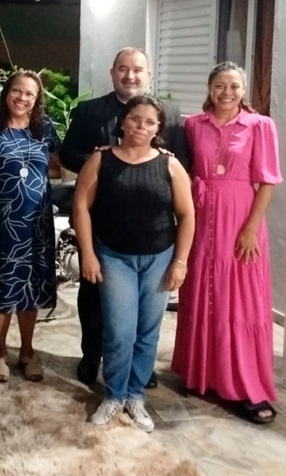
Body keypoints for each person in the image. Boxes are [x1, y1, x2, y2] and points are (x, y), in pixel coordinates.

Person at [59, 47, 188, 387]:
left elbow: (182, 162)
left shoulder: (170, 114)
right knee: (93, 294)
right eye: (123, 69)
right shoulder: (89, 111)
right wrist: (102, 159)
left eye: (137, 70)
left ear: (148, 75)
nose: (130, 75)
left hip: (149, 225)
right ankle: (92, 354)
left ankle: (139, 367)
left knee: (146, 307)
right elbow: (67, 154)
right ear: (112, 72)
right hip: (98, 220)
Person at [73, 95, 194, 433]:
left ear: (158, 129)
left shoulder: (170, 165)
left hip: (159, 258)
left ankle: (135, 395)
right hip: (114, 257)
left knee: (147, 332)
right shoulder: (100, 159)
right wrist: (88, 254)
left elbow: (187, 215)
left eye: (150, 122)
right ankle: (114, 394)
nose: (141, 126)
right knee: (119, 330)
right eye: (135, 119)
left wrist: (180, 261)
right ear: (123, 122)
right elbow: (81, 207)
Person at [171, 62, 282, 424]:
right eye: (220, 85)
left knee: (241, 301)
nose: (227, 92)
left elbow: (268, 181)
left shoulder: (260, 125)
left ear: (244, 90)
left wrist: (251, 228)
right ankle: (202, 373)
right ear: (209, 88)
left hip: (241, 220)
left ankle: (247, 385)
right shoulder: (192, 125)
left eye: (234, 86)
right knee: (202, 293)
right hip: (201, 217)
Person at [0, 70, 60, 384]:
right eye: (17, 91)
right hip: (2, 220)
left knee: (31, 286)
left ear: (37, 99)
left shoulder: (44, 127)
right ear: (7, 92)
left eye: (30, 94)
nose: (22, 98)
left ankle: (28, 352)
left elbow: (58, 165)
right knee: (3, 283)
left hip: (36, 221)